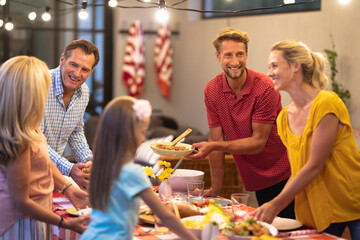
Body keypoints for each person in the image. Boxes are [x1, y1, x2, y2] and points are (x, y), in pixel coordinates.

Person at [251, 40, 360, 238]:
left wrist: (276, 203)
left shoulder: (326, 103)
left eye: (275, 65)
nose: (269, 73)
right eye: (269, 67)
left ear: (295, 66)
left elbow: (314, 166)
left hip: (350, 202)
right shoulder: (284, 118)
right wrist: (277, 204)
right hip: (317, 210)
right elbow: (298, 169)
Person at [187, 27, 295, 219]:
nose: (235, 62)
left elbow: (258, 143)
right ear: (218, 56)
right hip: (256, 178)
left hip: (284, 174)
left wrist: (214, 145)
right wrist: (215, 188)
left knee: (286, 232)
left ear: (247, 55)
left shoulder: (265, 88)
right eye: (228, 55)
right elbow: (215, 140)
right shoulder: (212, 90)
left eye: (240, 54)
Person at [80, 96, 198, 240]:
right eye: (142, 132)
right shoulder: (132, 172)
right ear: (127, 134)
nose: (143, 139)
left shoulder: (100, 166)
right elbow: (166, 217)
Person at [0, 56, 90, 239]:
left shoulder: (27, 125)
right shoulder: (19, 138)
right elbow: (21, 202)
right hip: (20, 222)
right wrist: (63, 223)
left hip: (34, 215)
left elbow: (42, 161)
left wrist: (69, 189)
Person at [40, 39, 100, 190]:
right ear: (62, 59)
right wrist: (69, 169)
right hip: (27, 171)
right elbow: (34, 141)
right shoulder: (39, 85)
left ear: (91, 72)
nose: (77, 74)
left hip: (53, 177)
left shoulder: (84, 92)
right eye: (73, 64)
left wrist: (89, 161)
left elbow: (75, 131)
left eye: (85, 69)